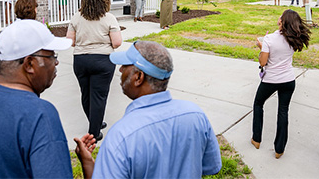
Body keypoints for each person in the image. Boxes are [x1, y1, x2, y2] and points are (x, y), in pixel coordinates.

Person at [0, 19, 96, 178]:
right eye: (51, 55)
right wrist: (89, 169)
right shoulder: (40, 115)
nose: (56, 62)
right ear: (29, 64)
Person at [89, 41, 222, 178]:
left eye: (125, 65)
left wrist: (88, 165)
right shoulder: (196, 115)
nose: (121, 70)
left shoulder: (120, 137)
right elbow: (212, 166)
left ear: (139, 77)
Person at [252, 9, 311, 159]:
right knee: (283, 111)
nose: (278, 18)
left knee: (258, 104)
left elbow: (263, 61)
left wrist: (262, 47)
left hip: (271, 79)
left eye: (280, 17)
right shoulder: (294, 38)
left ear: (282, 22)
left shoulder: (269, 39)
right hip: (288, 80)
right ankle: (279, 149)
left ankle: (256, 139)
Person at [67, 0, 122, 142]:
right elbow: (117, 43)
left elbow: (70, 41)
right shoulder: (109, 17)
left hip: (81, 60)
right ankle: (94, 132)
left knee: (86, 94)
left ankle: (95, 122)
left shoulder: (76, 17)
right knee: (99, 96)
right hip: (103, 60)